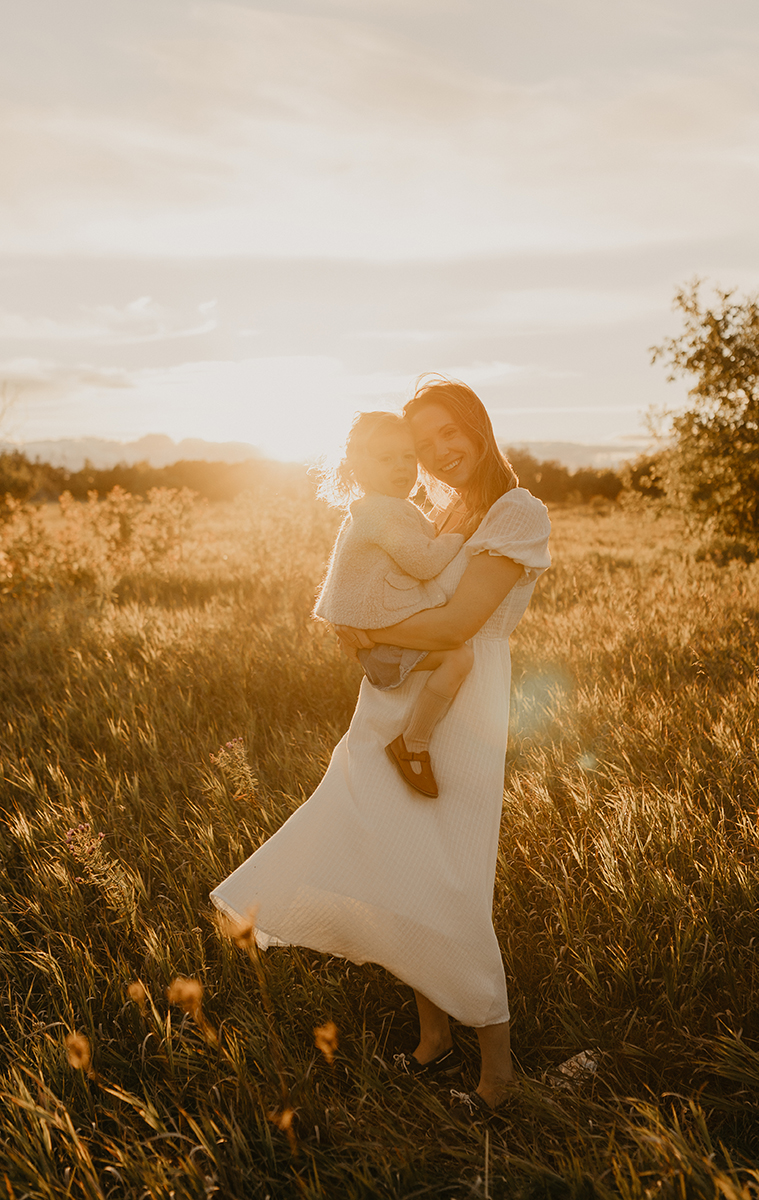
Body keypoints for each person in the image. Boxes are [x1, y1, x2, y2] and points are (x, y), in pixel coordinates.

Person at [211, 375, 550, 1118]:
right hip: (389, 705)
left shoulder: (514, 512)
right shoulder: (433, 508)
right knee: (393, 865)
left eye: (448, 435)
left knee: (453, 879)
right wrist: (361, 630)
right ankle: (433, 1040)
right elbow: (382, 585)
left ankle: (499, 1073)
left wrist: (361, 633)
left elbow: (457, 624)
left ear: (478, 427)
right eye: (424, 446)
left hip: (461, 704)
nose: (438, 454)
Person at [313, 409, 474, 798]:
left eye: (407, 457)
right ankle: (413, 743)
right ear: (358, 467)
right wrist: (460, 534)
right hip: (382, 646)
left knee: (457, 656)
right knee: (460, 658)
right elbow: (423, 561)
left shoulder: (382, 508)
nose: (402, 468)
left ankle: (413, 741)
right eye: (386, 459)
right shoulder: (379, 512)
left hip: (381, 637)